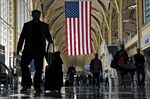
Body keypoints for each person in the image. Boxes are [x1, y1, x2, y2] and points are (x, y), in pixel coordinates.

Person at [17, 10, 53, 93]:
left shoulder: (45, 26)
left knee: (39, 69)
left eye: (38, 14)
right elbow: (22, 36)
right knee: (23, 65)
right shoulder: (27, 25)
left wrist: (50, 41)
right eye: (35, 14)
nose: (36, 15)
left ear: (40, 15)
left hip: (39, 50)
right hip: (28, 49)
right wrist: (19, 47)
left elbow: (48, 36)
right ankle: (27, 83)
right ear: (32, 15)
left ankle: (37, 86)